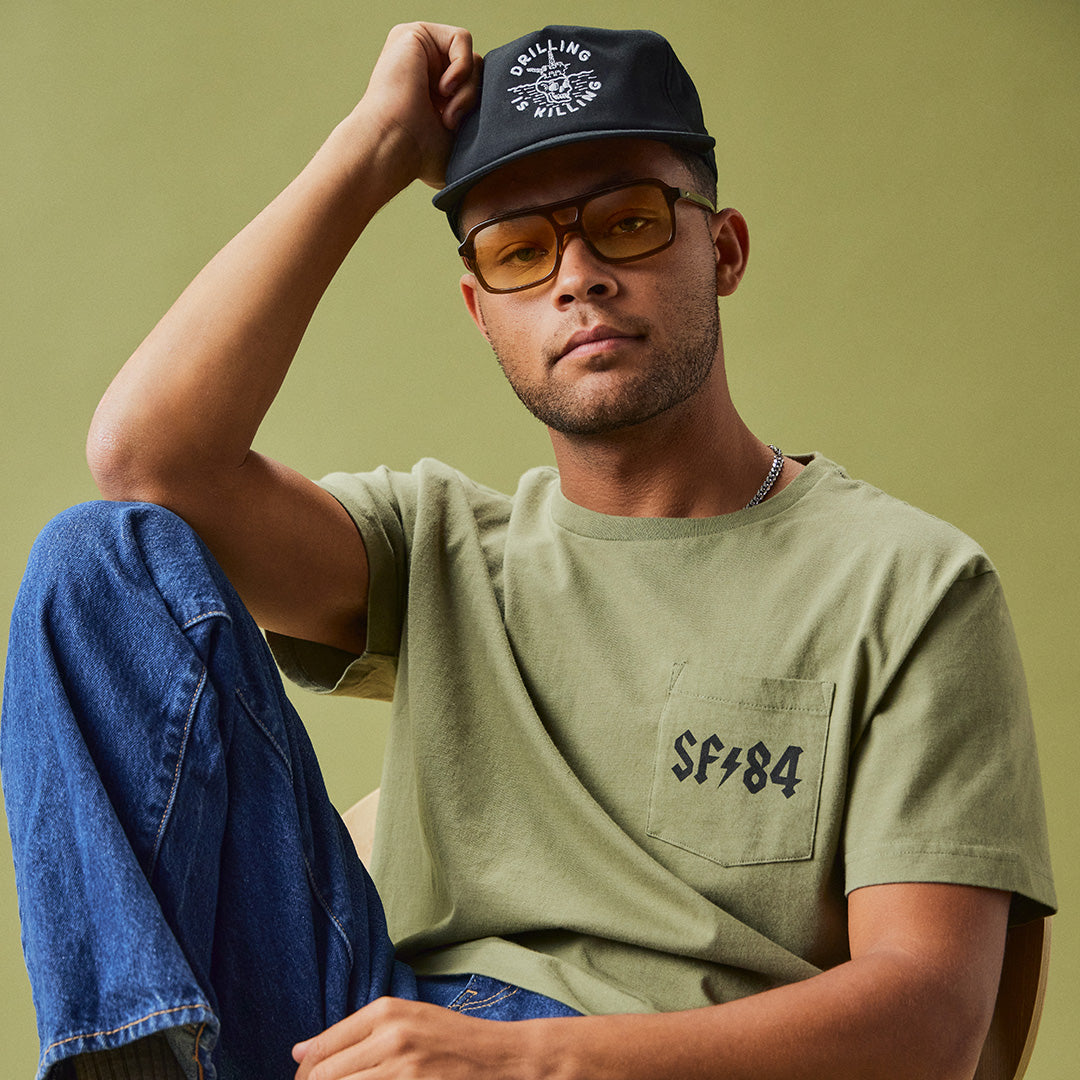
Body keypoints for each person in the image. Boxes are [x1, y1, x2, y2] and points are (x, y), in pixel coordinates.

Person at [3, 21, 1056, 1080]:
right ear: (480, 308)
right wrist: (375, 146)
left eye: (629, 222)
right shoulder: (440, 549)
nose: (578, 277)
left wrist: (527, 1061)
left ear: (723, 250)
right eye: (520, 250)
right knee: (95, 556)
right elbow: (149, 461)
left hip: (632, 1064)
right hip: (365, 1027)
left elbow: (931, 1020)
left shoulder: (909, 584)